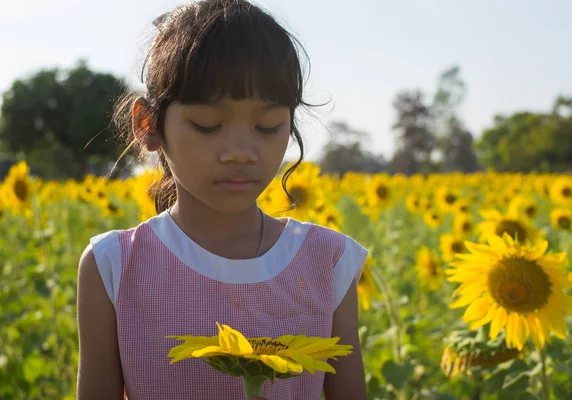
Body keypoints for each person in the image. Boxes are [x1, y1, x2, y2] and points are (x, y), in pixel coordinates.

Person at [76, 1, 368, 399]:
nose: (241, 151)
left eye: (267, 126)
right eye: (207, 125)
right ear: (148, 124)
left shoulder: (326, 262)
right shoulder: (115, 267)